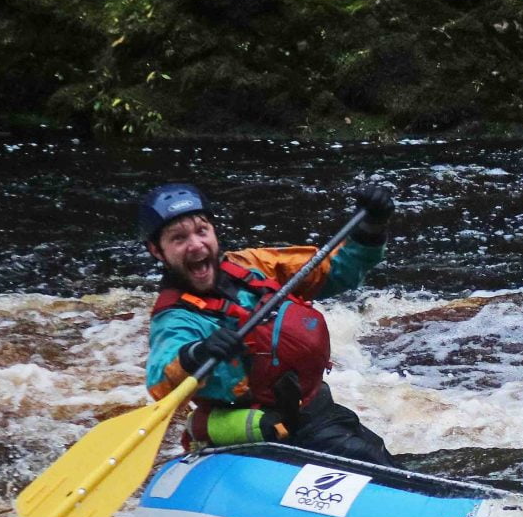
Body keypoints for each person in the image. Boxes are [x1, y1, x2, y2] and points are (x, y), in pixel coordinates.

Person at [141, 180, 399, 467]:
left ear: (213, 231)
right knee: (369, 461)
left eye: (202, 231)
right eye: (178, 239)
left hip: (314, 411)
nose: (195, 244)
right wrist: (197, 352)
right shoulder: (175, 316)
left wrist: (371, 228)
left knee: (378, 455)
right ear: (157, 250)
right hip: (260, 430)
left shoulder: (253, 265)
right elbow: (160, 380)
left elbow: (338, 270)